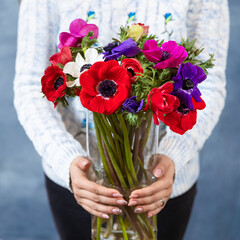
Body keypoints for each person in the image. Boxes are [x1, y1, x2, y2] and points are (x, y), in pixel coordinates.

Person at [14, 0, 229, 239]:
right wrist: (66, 159)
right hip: (80, 185)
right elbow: (31, 86)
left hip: (161, 188)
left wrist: (173, 156)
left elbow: (209, 86)